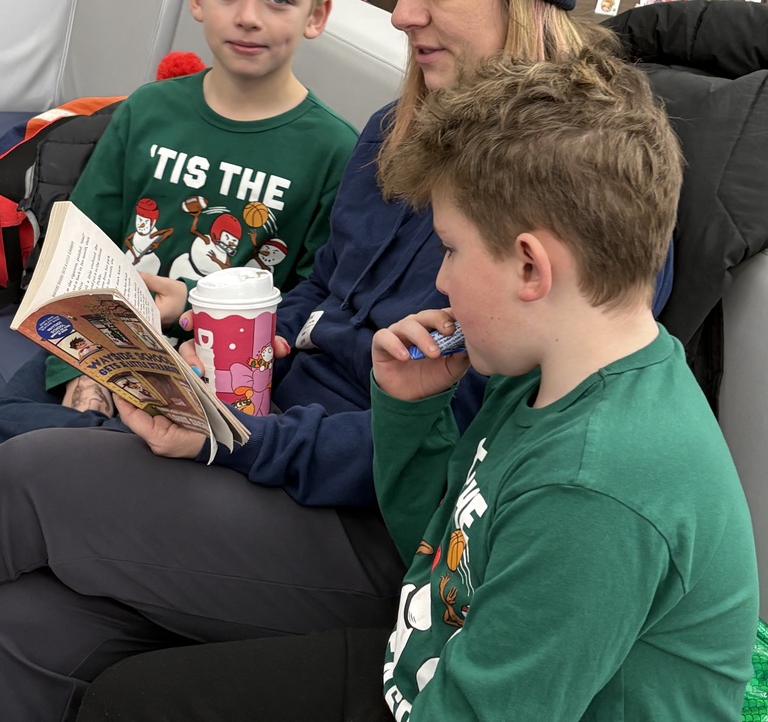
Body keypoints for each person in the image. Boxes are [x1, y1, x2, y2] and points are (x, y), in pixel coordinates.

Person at [0, 0, 672, 722]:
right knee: (32, 628)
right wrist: (222, 348)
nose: (401, 15)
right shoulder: (392, 130)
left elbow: (467, 448)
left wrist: (243, 444)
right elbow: (319, 305)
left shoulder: (580, 186)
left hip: (382, 528)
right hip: (271, 451)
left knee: (23, 477)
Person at [74, 51, 757, 722]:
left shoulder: (594, 489)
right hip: (427, 661)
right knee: (126, 694)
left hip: (446, 691)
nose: (441, 282)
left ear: (530, 267)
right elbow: (438, 552)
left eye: (452, 250)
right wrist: (408, 408)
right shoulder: (547, 373)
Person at [43, 0, 360, 412]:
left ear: (317, 16)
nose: (248, 17)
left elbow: (313, 300)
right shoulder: (147, 110)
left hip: (225, 384)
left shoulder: (333, 149)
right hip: (99, 353)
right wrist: (79, 370)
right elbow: (80, 248)